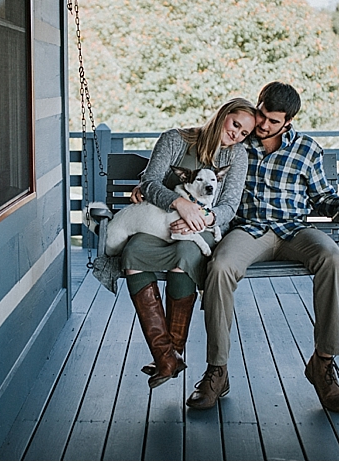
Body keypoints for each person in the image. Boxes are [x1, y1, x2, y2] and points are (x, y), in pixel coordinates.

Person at [177, 82, 339, 413]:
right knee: (221, 267)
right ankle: (217, 369)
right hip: (249, 230)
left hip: (295, 230)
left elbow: (322, 200)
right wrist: (153, 189)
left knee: (334, 258)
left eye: (273, 121)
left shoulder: (307, 149)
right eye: (262, 115)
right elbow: (200, 171)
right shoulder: (237, 147)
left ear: (289, 121)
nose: (264, 125)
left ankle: (323, 364)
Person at [108, 98, 258, 389]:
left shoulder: (237, 156)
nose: (236, 135)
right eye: (235, 125)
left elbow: (229, 205)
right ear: (223, 115)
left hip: (199, 229)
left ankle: (172, 353)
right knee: (133, 254)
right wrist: (180, 204)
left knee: (185, 254)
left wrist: (201, 216)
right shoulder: (175, 139)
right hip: (158, 222)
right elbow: (150, 182)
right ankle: (166, 357)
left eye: (244, 134)